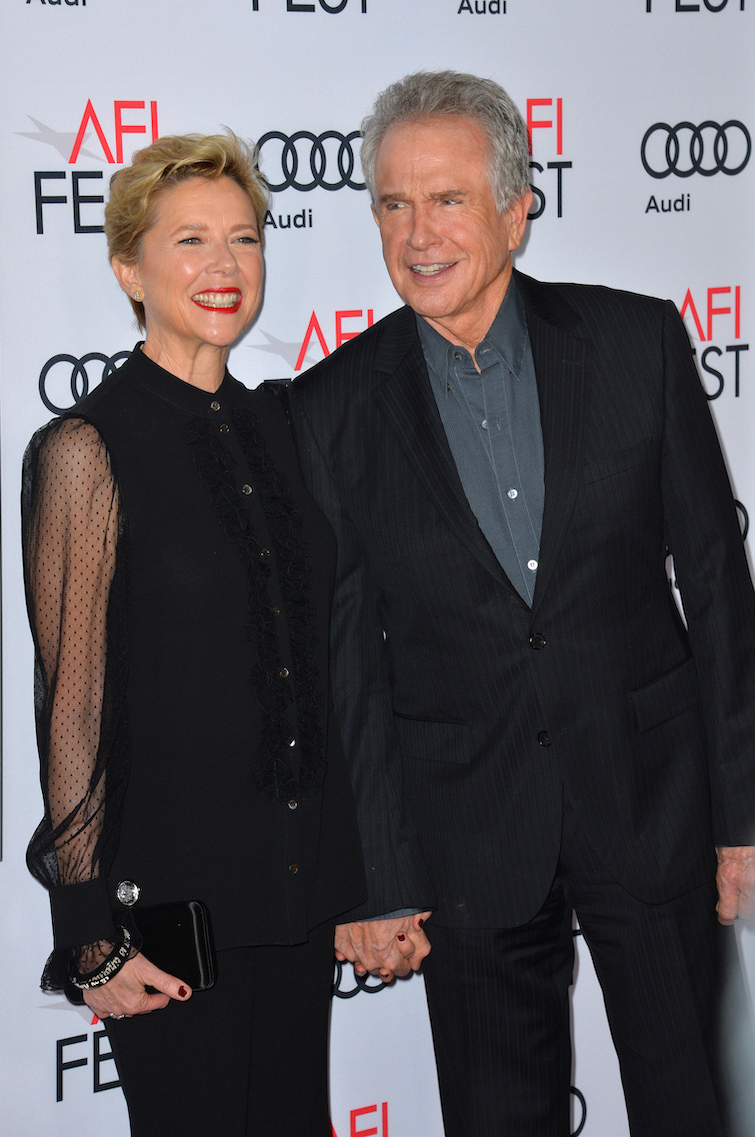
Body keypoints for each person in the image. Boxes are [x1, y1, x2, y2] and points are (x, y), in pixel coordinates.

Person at [290, 71, 755, 1137]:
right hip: (467, 838)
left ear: (513, 207)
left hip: (653, 804)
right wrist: (378, 876)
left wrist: (741, 817)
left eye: (447, 200)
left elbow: (718, 590)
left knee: (698, 1106)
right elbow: (345, 660)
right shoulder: (330, 407)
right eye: (392, 206)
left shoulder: (636, 346)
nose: (417, 235)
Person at [22, 132, 364, 1137]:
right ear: (128, 266)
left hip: (295, 891)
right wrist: (87, 931)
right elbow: (72, 705)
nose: (224, 267)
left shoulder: (284, 426)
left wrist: (354, 878)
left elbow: (316, 669)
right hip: (169, 908)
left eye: (244, 240)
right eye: (190, 241)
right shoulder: (86, 449)